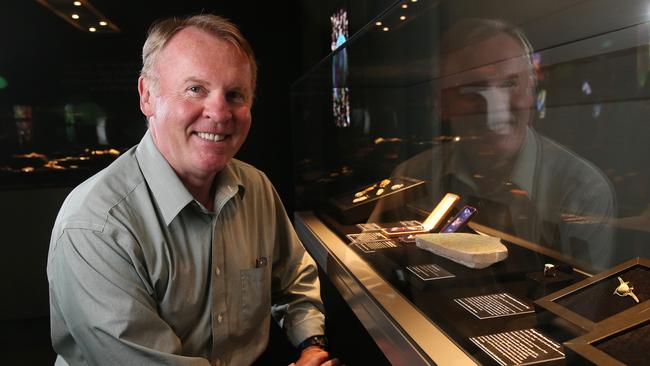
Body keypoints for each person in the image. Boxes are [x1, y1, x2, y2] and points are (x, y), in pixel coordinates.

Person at [47, 14, 337, 366]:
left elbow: (292, 278)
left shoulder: (256, 187)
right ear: (147, 96)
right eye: (195, 89)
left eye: (235, 94)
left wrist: (311, 345)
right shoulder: (95, 225)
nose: (219, 112)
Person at [370, 18, 616, 271]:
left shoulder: (582, 189)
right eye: (471, 89)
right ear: (442, 103)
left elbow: (580, 302)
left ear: (532, 91)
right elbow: (378, 275)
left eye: (510, 83)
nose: (494, 109)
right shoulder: (412, 177)